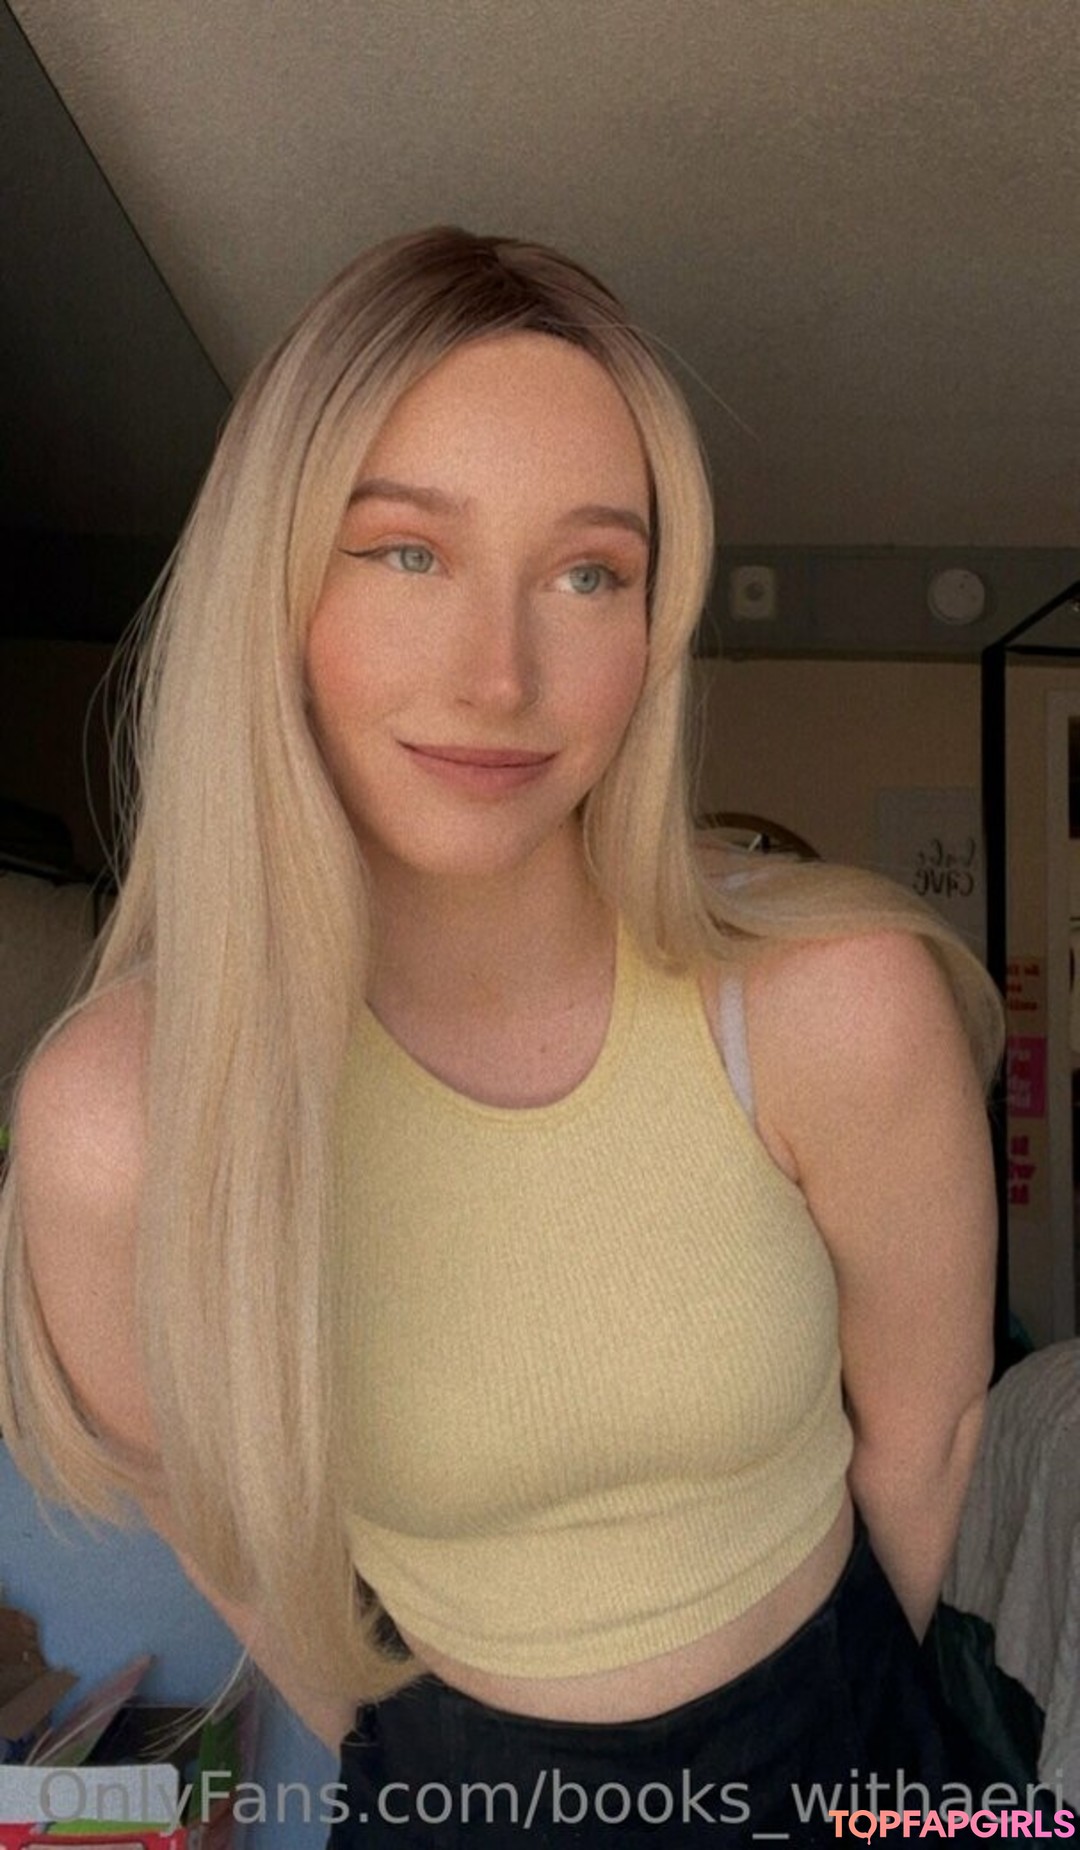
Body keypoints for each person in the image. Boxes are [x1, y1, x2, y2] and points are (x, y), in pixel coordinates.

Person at [0, 228, 1004, 1846]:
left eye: (588, 572)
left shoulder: (842, 999)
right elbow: (209, 1512)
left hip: (862, 1741)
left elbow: (933, 1435)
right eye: (407, 551)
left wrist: (827, 1764)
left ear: (653, 627)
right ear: (275, 591)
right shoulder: (121, 1119)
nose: (499, 675)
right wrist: (425, 1759)